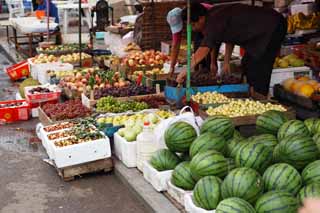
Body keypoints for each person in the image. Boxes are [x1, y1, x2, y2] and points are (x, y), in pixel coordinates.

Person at [176, 3, 287, 99]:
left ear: (201, 18)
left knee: (258, 68)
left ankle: (261, 102)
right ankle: (254, 95)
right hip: (263, 30)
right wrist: (226, 62)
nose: (193, 29)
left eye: (194, 25)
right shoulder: (214, 15)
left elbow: (204, 49)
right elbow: (230, 37)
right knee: (247, 64)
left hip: (272, 26)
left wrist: (185, 70)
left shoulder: (213, 22)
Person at [167, 3, 219, 77]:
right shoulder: (193, 22)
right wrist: (172, 67)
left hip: (214, 28)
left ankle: (209, 73)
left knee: (209, 59)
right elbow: (175, 44)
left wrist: (213, 62)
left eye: (193, 24)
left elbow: (211, 40)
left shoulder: (203, 14)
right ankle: (200, 72)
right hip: (202, 29)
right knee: (198, 52)